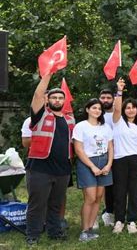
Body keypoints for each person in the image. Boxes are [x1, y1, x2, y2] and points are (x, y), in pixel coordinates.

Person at [24, 73, 73, 246]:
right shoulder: (39, 115)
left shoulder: (70, 119)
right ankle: (32, 235)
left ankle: (54, 232)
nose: (58, 100)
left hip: (62, 169)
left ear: (64, 101)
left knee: (56, 204)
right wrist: (47, 75)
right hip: (39, 167)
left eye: (61, 98)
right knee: (37, 204)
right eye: (54, 97)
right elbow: (37, 96)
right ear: (48, 99)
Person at [110, 79, 137, 234]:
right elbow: (116, 109)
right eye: (128, 108)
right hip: (120, 160)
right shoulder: (118, 121)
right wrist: (119, 91)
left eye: (133, 108)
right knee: (119, 191)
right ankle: (119, 220)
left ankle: (132, 220)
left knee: (135, 191)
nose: (131, 110)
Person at [73, 98, 114, 242]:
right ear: (87, 110)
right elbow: (78, 149)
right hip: (87, 163)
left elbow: (110, 147)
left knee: (98, 197)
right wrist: (92, 166)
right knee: (90, 197)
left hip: (103, 162)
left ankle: (90, 228)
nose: (97, 110)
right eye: (94, 108)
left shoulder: (105, 127)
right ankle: (84, 231)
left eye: (99, 108)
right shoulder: (80, 126)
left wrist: (109, 164)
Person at [98, 89, 116, 228]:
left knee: (118, 185)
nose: (105, 100)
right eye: (103, 97)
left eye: (108, 97)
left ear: (113, 99)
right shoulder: (97, 114)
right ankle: (107, 211)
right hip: (101, 155)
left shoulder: (119, 114)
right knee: (104, 186)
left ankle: (116, 210)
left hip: (119, 154)